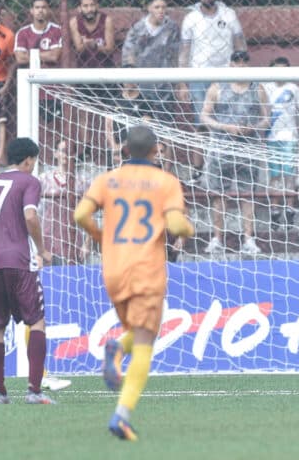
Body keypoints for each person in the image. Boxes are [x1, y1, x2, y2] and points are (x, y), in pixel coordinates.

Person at [73, 125, 195, 440]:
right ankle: (122, 416)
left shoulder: (107, 179)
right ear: (156, 151)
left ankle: (116, 347)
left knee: (137, 331)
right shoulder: (165, 181)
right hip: (146, 268)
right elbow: (175, 224)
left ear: (125, 149)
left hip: (113, 269)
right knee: (145, 343)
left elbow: (80, 215)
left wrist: (101, 237)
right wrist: (188, 230)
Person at [0, 137, 55, 404]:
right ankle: (34, 391)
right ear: (28, 160)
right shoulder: (29, 182)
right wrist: (41, 249)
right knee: (36, 321)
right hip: (19, 260)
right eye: (34, 161)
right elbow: (30, 215)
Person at [199, 51, 269, 256]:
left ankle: (248, 238)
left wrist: (253, 127)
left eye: (244, 61)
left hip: (248, 149)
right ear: (230, 64)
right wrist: (224, 127)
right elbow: (204, 116)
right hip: (221, 149)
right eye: (236, 62)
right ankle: (217, 238)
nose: (240, 65)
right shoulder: (217, 87)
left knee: (248, 195)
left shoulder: (258, 89)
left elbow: (267, 118)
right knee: (219, 195)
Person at [178, 0, 246, 115]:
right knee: (202, 117)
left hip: (225, 74)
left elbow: (239, 43)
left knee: (226, 115)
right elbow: (184, 51)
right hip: (198, 74)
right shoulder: (191, 18)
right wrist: (183, 83)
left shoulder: (229, 14)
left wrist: (241, 68)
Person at [264, 57, 299, 228]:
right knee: (274, 175)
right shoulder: (265, 87)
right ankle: (274, 211)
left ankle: (289, 210)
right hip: (271, 138)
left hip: (290, 137)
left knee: (290, 175)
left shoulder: (293, 88)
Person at [120, 0, 181, 105]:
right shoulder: (138, 28)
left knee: (164, 117)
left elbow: (176, 54)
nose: (161, 10)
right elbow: (128, 53)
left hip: (164, 82)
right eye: (157, 7)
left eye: (163, 7)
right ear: (149, 8)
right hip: (141, 81)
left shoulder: (172, 28)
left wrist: (177, 80)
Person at [69, 0, 116, 69]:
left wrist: (95, 46)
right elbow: (79, 50)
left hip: (105, 68)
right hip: (84, 69)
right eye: (85, 6)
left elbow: (110, 49)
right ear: (79, 9)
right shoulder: (74, 22)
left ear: (97, 6)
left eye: (92, 5)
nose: (89, 9)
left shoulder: (106, 20)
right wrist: (86, 45)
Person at [14, 0, 64, 69]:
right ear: (32, 11)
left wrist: (29, 54)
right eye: (37, 7)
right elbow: (20, 59)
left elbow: (54, 56)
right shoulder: (22, 32)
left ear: (49, 10)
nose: (40, 10)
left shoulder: (57, 30)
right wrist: (46, 54)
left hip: (51, 74)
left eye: (44, 7)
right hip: (30, 75)